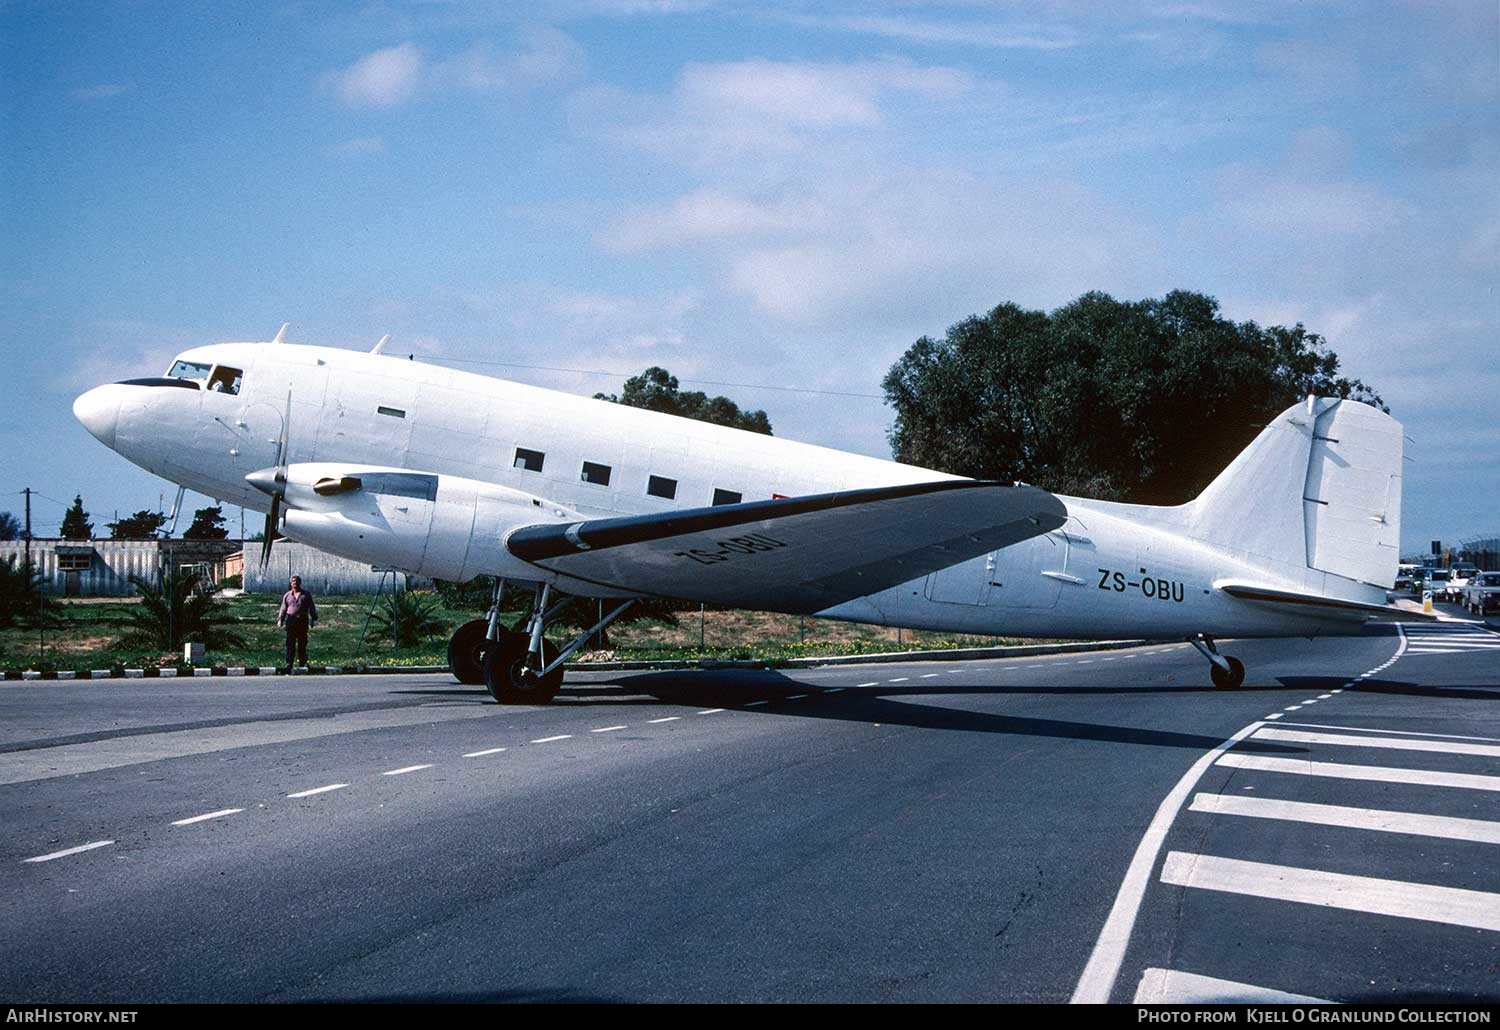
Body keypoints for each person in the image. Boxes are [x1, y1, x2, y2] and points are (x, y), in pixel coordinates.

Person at [276, 575, 318, 670]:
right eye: (293, 581)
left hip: (302, 621)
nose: (295, 583)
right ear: (291, 583)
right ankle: (289, 663)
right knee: (290, 643)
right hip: (291, 621)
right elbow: (283, 608)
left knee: (302, 643)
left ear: (300, 583)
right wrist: (280, 619)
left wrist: (313, 618)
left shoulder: (306, 594)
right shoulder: (287, 595)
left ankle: (302, 663)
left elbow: (311, 607)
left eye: (297, 581)